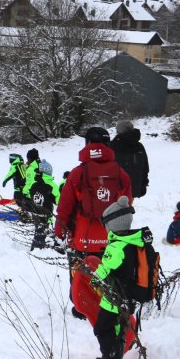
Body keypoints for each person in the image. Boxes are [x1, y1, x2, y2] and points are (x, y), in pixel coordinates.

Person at [54, 126, 133, 316]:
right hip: (111, 238)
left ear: (87, 144)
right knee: (110, 272)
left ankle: (82, 309)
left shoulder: (77, 174)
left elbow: (64, 207)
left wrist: (59, 231)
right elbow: (127, 205)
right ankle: (110, 306)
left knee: (81, 273)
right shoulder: (121, 174)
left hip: (82, 238)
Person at [90, 196, 155, 359]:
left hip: (115, 295)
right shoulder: (133, 241)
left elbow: (105, 268)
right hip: (130, 294)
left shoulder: (116, 246)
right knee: (118, 327)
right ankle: (114, 358)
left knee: (102, 327)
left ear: (113, 224)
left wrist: (94, 278)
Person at [111, 120, 150, 199]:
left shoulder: (113, 145)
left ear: (119, 131)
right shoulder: (139, 146)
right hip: (134, 188)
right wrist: (144, 184)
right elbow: (145, 168)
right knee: (127, 209)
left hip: (115, 188)